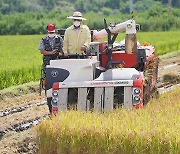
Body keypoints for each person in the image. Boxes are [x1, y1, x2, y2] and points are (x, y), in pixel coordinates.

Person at [38, 23, 63, 113]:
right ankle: (50, 104)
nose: (51, 33)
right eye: (50, 32)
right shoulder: (43, 40)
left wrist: (59, 54)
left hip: (59, 65)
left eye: (52, 32)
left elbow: (63, 50)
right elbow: (41, 51)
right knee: (48, 84)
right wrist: (51, 53)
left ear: (55, 31)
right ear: (47, 31)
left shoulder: (60, 39)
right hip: (47, 65)